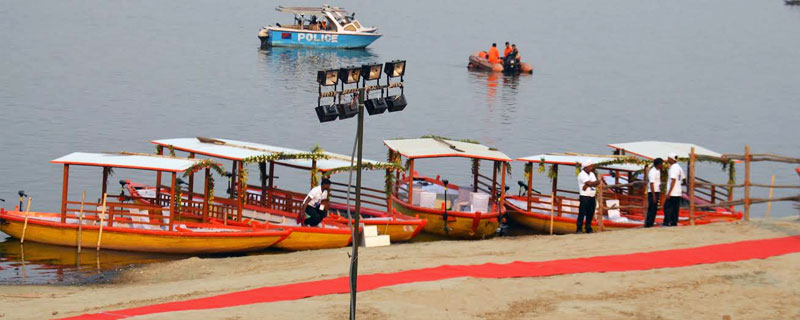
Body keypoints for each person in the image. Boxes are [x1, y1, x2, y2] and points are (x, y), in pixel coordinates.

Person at [577, 161, 602, 233]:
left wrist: (589, 184)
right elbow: (590, 183)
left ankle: (588, 227)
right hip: (584, 196)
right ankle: (579, 228)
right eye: (590, 166)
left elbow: (596, 183)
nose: (591, 168)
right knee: (582, 212)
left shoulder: (591, 174)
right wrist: (589, 184)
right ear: (586, 167)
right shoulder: (582, 174)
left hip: (592, 195)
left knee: (590, 212)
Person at [663, 153, 685, 227]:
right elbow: (684, 179)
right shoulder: (679, 167)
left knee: (667, 207)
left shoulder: (673, 168)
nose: (667, 159)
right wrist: (679, 185)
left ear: (672, 159)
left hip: (673, 192)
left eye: (668, 158)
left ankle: (666, 222)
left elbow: (673, 180)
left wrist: (669, 192)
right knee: (675, 209)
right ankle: (674, 223)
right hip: (678, 192)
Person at [645, 158, 664, 228]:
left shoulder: (658, 171)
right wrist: (653, 195)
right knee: (652, 208)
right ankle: (648, 224)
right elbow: (651, 183)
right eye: (661, 164)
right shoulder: (652, 171)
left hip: (657, 191)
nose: (662, 165)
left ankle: (651, 222)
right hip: (653, 192)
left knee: (654, 208)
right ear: (658, 164)